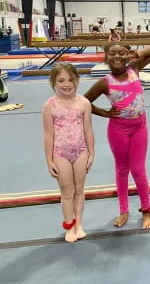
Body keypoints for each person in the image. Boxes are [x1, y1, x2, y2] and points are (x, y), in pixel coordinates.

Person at [84, 42, 150, 229]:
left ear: (128, 56)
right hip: (119, 130)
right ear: (106, 58)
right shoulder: (104, 83)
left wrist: (138, 52)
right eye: (112, 53)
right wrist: (104, 112)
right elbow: (84, 102)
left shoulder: (134, 68)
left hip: (140, 127)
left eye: (121, 53)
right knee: (122, 169)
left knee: (138, 169)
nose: (117, 56)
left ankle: (146, 210)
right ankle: (124, 211)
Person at [42, 63, 94, 242]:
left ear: (77, 80)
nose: (66, 84)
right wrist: (49, 160)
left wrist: (91, 153)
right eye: (61, 80)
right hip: (60, 153)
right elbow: (49, 135)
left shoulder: (84, 103)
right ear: (53, 82)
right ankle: (69, 225)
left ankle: (79, 224)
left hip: (80, 151)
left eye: (71, 80)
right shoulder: (50, 105)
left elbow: (88, 130)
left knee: (79, 190)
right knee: (67, 191)